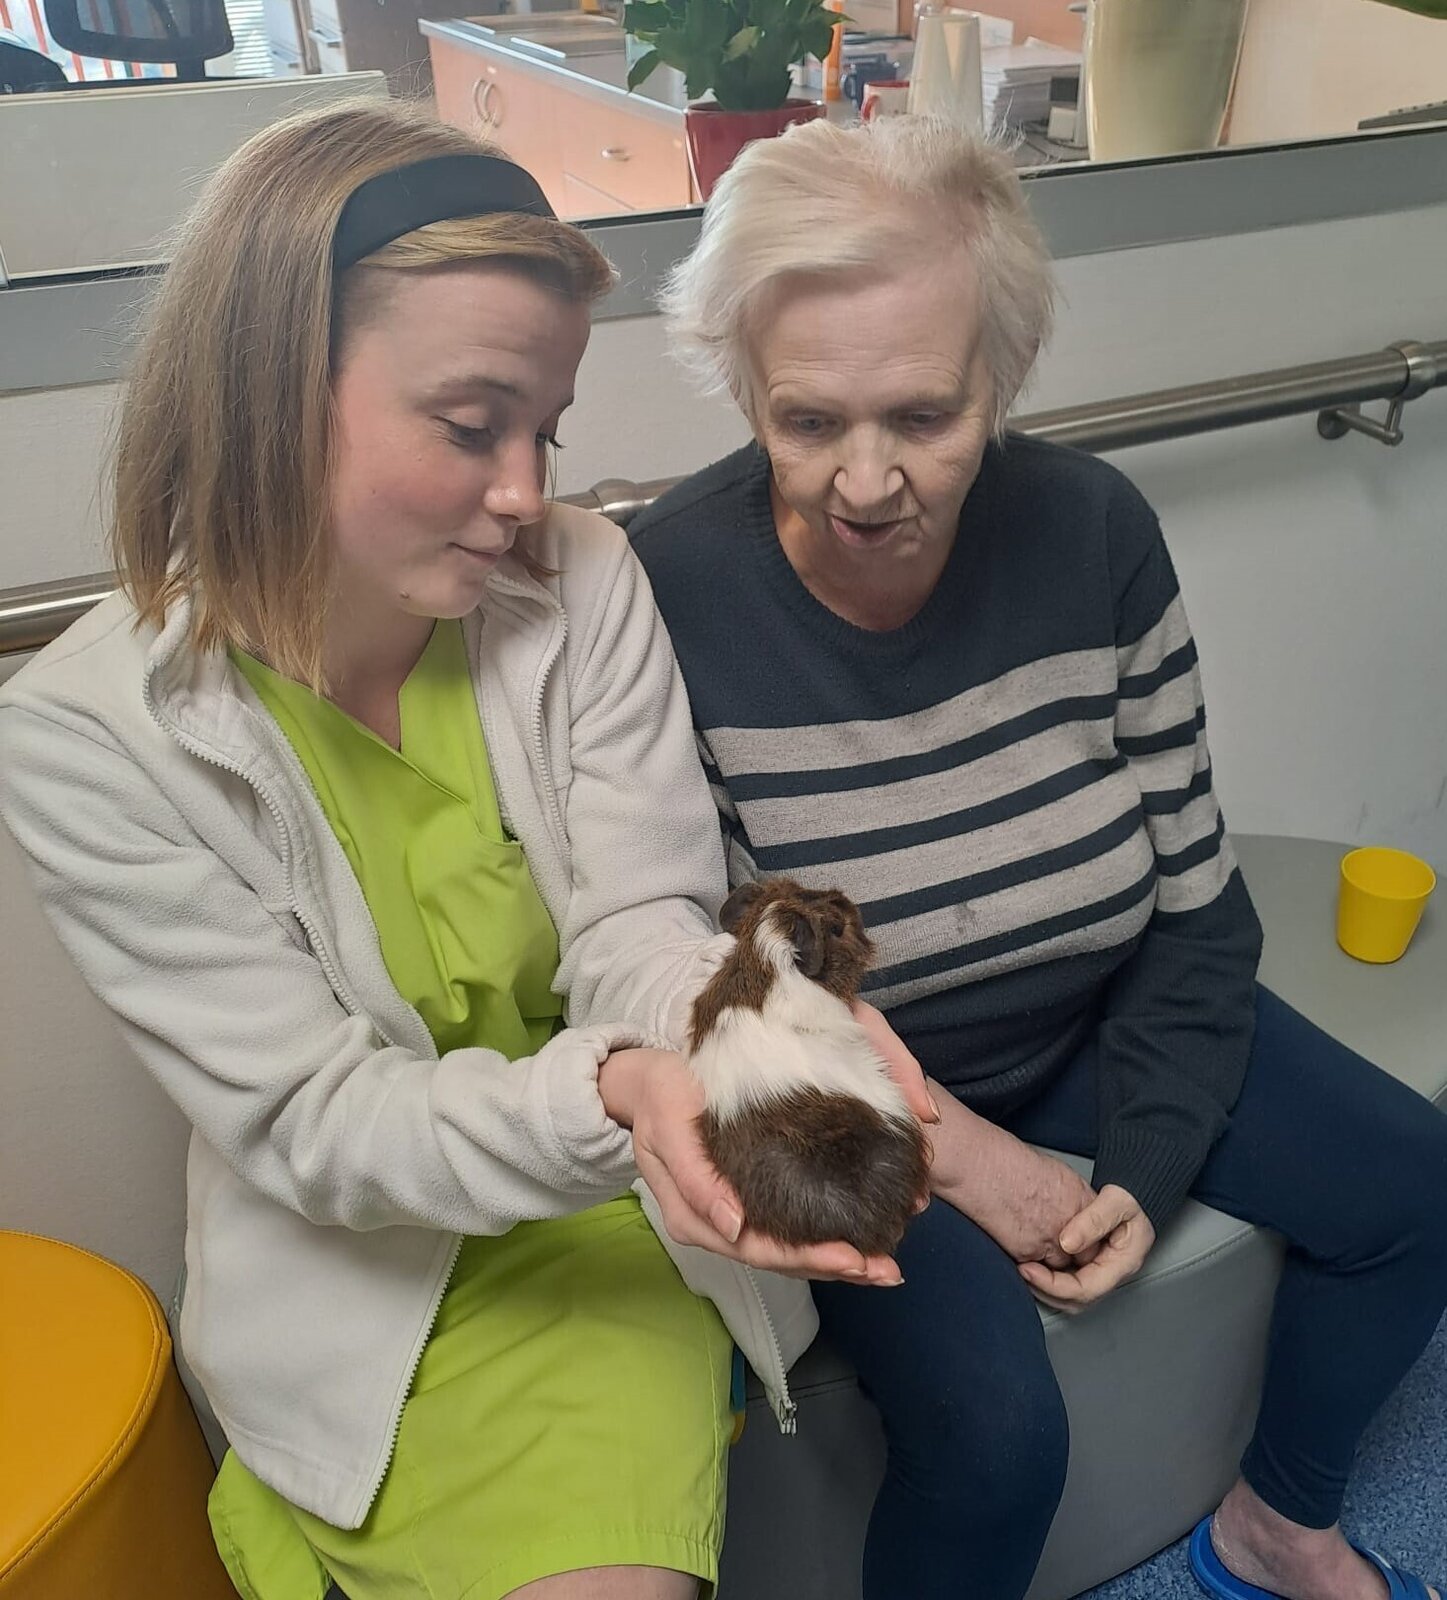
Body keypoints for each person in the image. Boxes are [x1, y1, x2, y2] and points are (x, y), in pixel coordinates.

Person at [0, 103, 931, 1600]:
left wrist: (747, 1033)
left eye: (543, 430)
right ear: (267, 395)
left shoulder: (584, 580)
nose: (524, 493)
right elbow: (317, 1122)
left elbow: (637, 927)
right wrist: (615, 1094)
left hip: (612, 1210)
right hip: (364, 1265)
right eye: (468, 425)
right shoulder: (87, 736)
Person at [630, 115, 1447, 1600]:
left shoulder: (1094, 531)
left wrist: (1152, 1152)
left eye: (924, 417)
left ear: (1000, 378)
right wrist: (964, 1155)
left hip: (1088, 1014)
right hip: (839, 1095)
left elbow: (1197, 907)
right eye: (807, 421)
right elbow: (701, 992)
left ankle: (1280, 1522)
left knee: (1412, 1185)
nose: (864, 482)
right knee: (998, 1433)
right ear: (741, 383)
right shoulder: (667, 589)